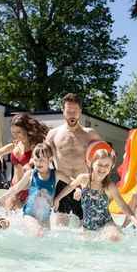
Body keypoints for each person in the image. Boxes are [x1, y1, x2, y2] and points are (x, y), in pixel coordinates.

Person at [53, 148, 137, 241]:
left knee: (112, 237)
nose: (103, 168)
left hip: (107, 224)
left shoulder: (110, 187)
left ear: (111, 167)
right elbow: (70, 186)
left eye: (107, 165)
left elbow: (123, 206)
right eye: (99, 164)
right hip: (88, 227)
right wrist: (57, 199)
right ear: (91, 164)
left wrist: (134, 219)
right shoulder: (83, 179)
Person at [0, 113, 49, 213]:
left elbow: (34, 158)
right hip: (15, 189)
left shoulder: (34, 145)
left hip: (31, 189)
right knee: (9, 221)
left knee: (29, 222)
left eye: (18, 132)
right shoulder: (14, 145)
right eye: (13, 132)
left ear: (26, 129)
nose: (15, 135)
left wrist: (29, 164)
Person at [45, 93, 101, 226]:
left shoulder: (90, 133)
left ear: (80, 111)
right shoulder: (54, 134)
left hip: (84, 184)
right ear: (63, 111)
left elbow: (105, 155)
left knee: (85, 226)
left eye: (75, 111)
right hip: (62, 183)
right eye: (69, 111)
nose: (72, 114)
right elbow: (42, 156)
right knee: (60, 226)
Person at [0, 144, 72, 236]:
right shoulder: (31, 174)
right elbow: (16, 188)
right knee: (39, 233)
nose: (38, 163)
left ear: (50, 160)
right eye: (36, 160)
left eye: (41, 160)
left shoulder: (56, 174)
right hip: (29, 215)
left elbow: (72, 183)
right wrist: (4, 197)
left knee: (45, 241)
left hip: (45, 218)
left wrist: (58, 199)